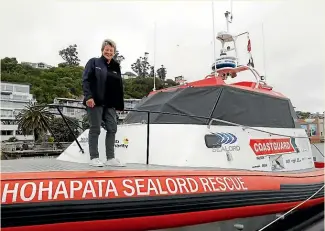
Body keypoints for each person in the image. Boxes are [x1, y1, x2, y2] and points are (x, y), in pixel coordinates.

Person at [82, 39, 126, 167]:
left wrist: (120, 105)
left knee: (112, 128)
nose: (109, 52)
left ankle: (110, 158)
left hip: (110, 103)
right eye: (106, 50)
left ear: (114, 52)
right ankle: (94, 157)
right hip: (95, 101)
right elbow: (86, 80)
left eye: (111, 50)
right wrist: (88, 96)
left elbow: (119, 87)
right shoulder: (93, 62)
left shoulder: (116, 66)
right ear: (102, 50)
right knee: (95, 128)